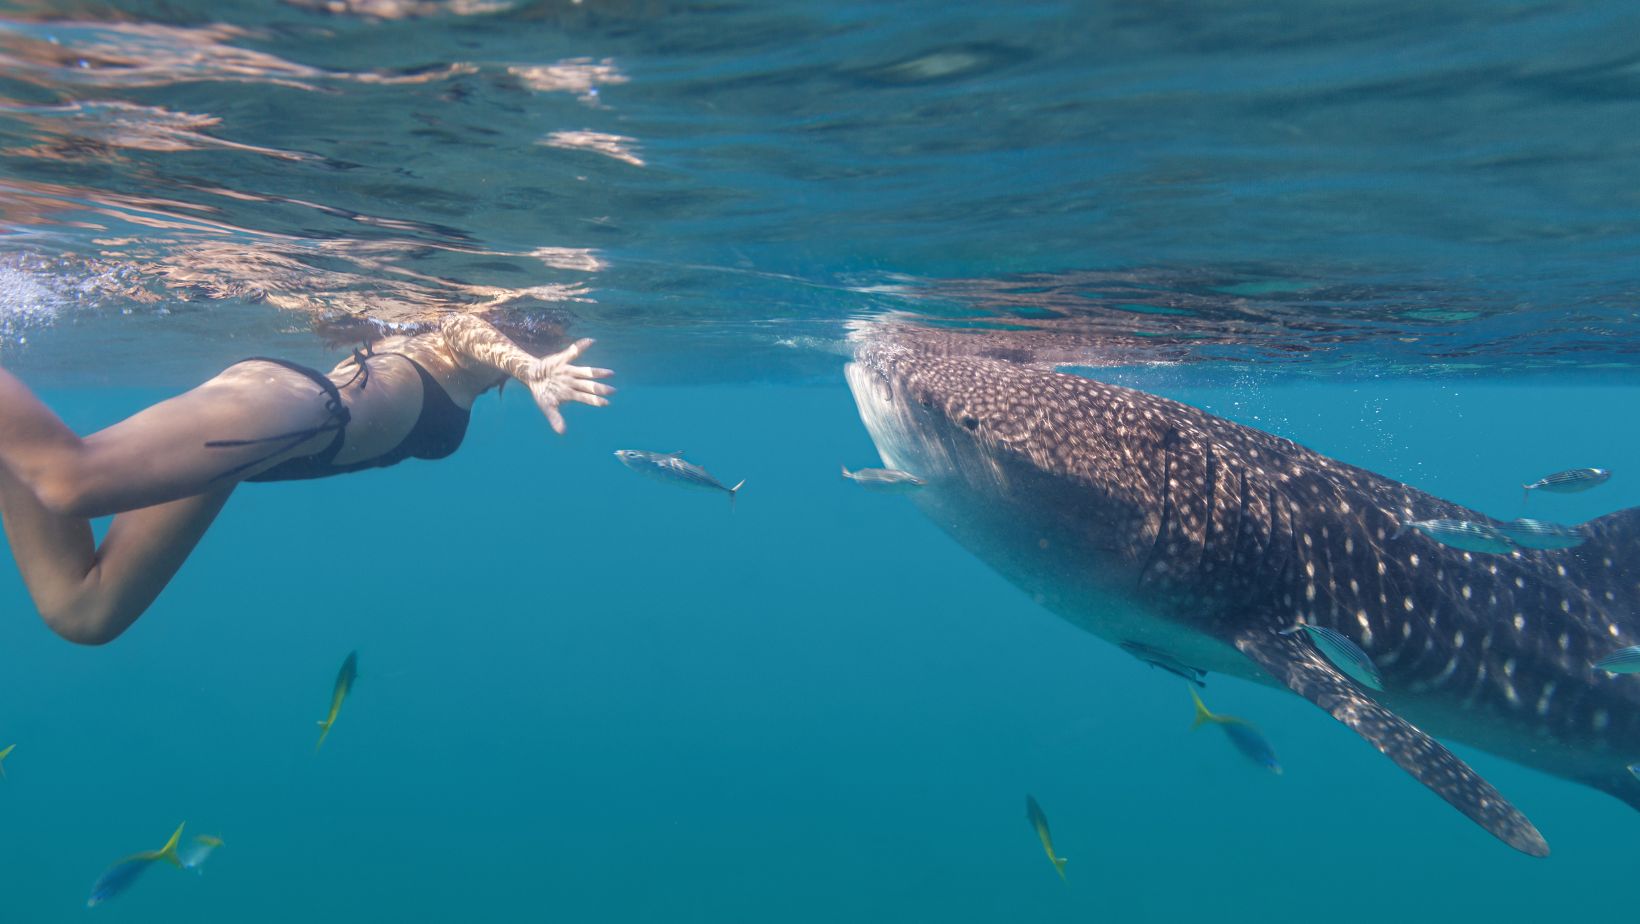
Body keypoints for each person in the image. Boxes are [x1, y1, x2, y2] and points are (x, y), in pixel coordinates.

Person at [0, 314, 612, 645]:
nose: (551, 336)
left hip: (261, 450)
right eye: (545, 334)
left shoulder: (444, 360)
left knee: (85, 611)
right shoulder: (463, 341)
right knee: (69, 480)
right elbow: (461, 326)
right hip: (294, 411)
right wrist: (530, 366)